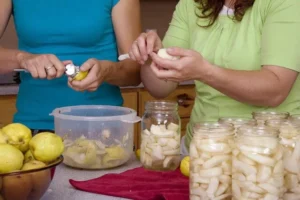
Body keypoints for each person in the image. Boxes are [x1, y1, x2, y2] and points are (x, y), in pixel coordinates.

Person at [129, 0, 300, 154]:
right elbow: (160, 87)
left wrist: (205, 72)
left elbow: (275, 90)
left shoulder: (285, 3)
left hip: (269, 154)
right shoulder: (191, 4)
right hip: (201, 151)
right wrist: (151, 56)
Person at [0, 0, 141, 134]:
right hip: (32, 128)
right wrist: (22, 58)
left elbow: (134, 72)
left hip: (102, 127)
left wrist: (107, 71)